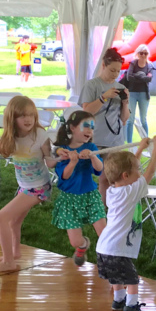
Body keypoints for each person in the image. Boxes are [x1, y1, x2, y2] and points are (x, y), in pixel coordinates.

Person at [0, 96, 58, 273]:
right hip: (25, 186)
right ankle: (14, 253)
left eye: (31, 115)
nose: (28, 119)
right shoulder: (12, 138)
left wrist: (62, 156)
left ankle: (8, 262)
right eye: (22, 116)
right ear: (12, 119)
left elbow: (50, 162)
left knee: (0, 218)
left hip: (38, 187)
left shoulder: (40, 135)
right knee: (14, 222)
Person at [96, 135, 156, 311]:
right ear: (126, 176)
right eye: (137, 170)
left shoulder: (113, 190)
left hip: (103, 248)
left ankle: (119, 300)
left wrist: (139, 149)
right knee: (132, 278)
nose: (140, 173)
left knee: (117, 277)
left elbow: (127, 169)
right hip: (116, 248)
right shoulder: (130, 192)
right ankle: (131, 306)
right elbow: (149, 173)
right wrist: (155, 148)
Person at [52, 111, 107, 267]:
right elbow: (64, 176)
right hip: (69, 200)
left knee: (104, 233)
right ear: (73, 128)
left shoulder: (91, 147)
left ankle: (109, 262)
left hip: (90, 196)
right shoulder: (62, 150)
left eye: (92, 127)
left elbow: (99, 168)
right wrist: (72, 162)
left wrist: (93, 156)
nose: (90, 131)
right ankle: (83, 246)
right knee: (75, 241)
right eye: (86, 126)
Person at [79, 47, 130, 205]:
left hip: (114, 140)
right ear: (103, 65)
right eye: (112, 70)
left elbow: (124, 119)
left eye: (118, 71)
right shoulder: (92, 85)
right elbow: (86, 111)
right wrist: (103, 98)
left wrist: (125, 102)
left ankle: (103, 210)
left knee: (108, 179)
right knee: (83, 177)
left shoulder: (120, 87)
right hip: (93, 138)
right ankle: (83, 207)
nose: (115, 74)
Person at [123, 44, 155, 143]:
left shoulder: (149, 65)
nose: (143, 55)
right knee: (130, 120)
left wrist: (136, 76)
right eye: (141, 53)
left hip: (144, 94)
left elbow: (149, 78)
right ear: (137, 54)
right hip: (132, 93)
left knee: (143, 119)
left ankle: (146, 141)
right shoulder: (133, 63)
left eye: (145, 53)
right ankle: (129, 143)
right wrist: (142, 76)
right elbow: (129, 77)